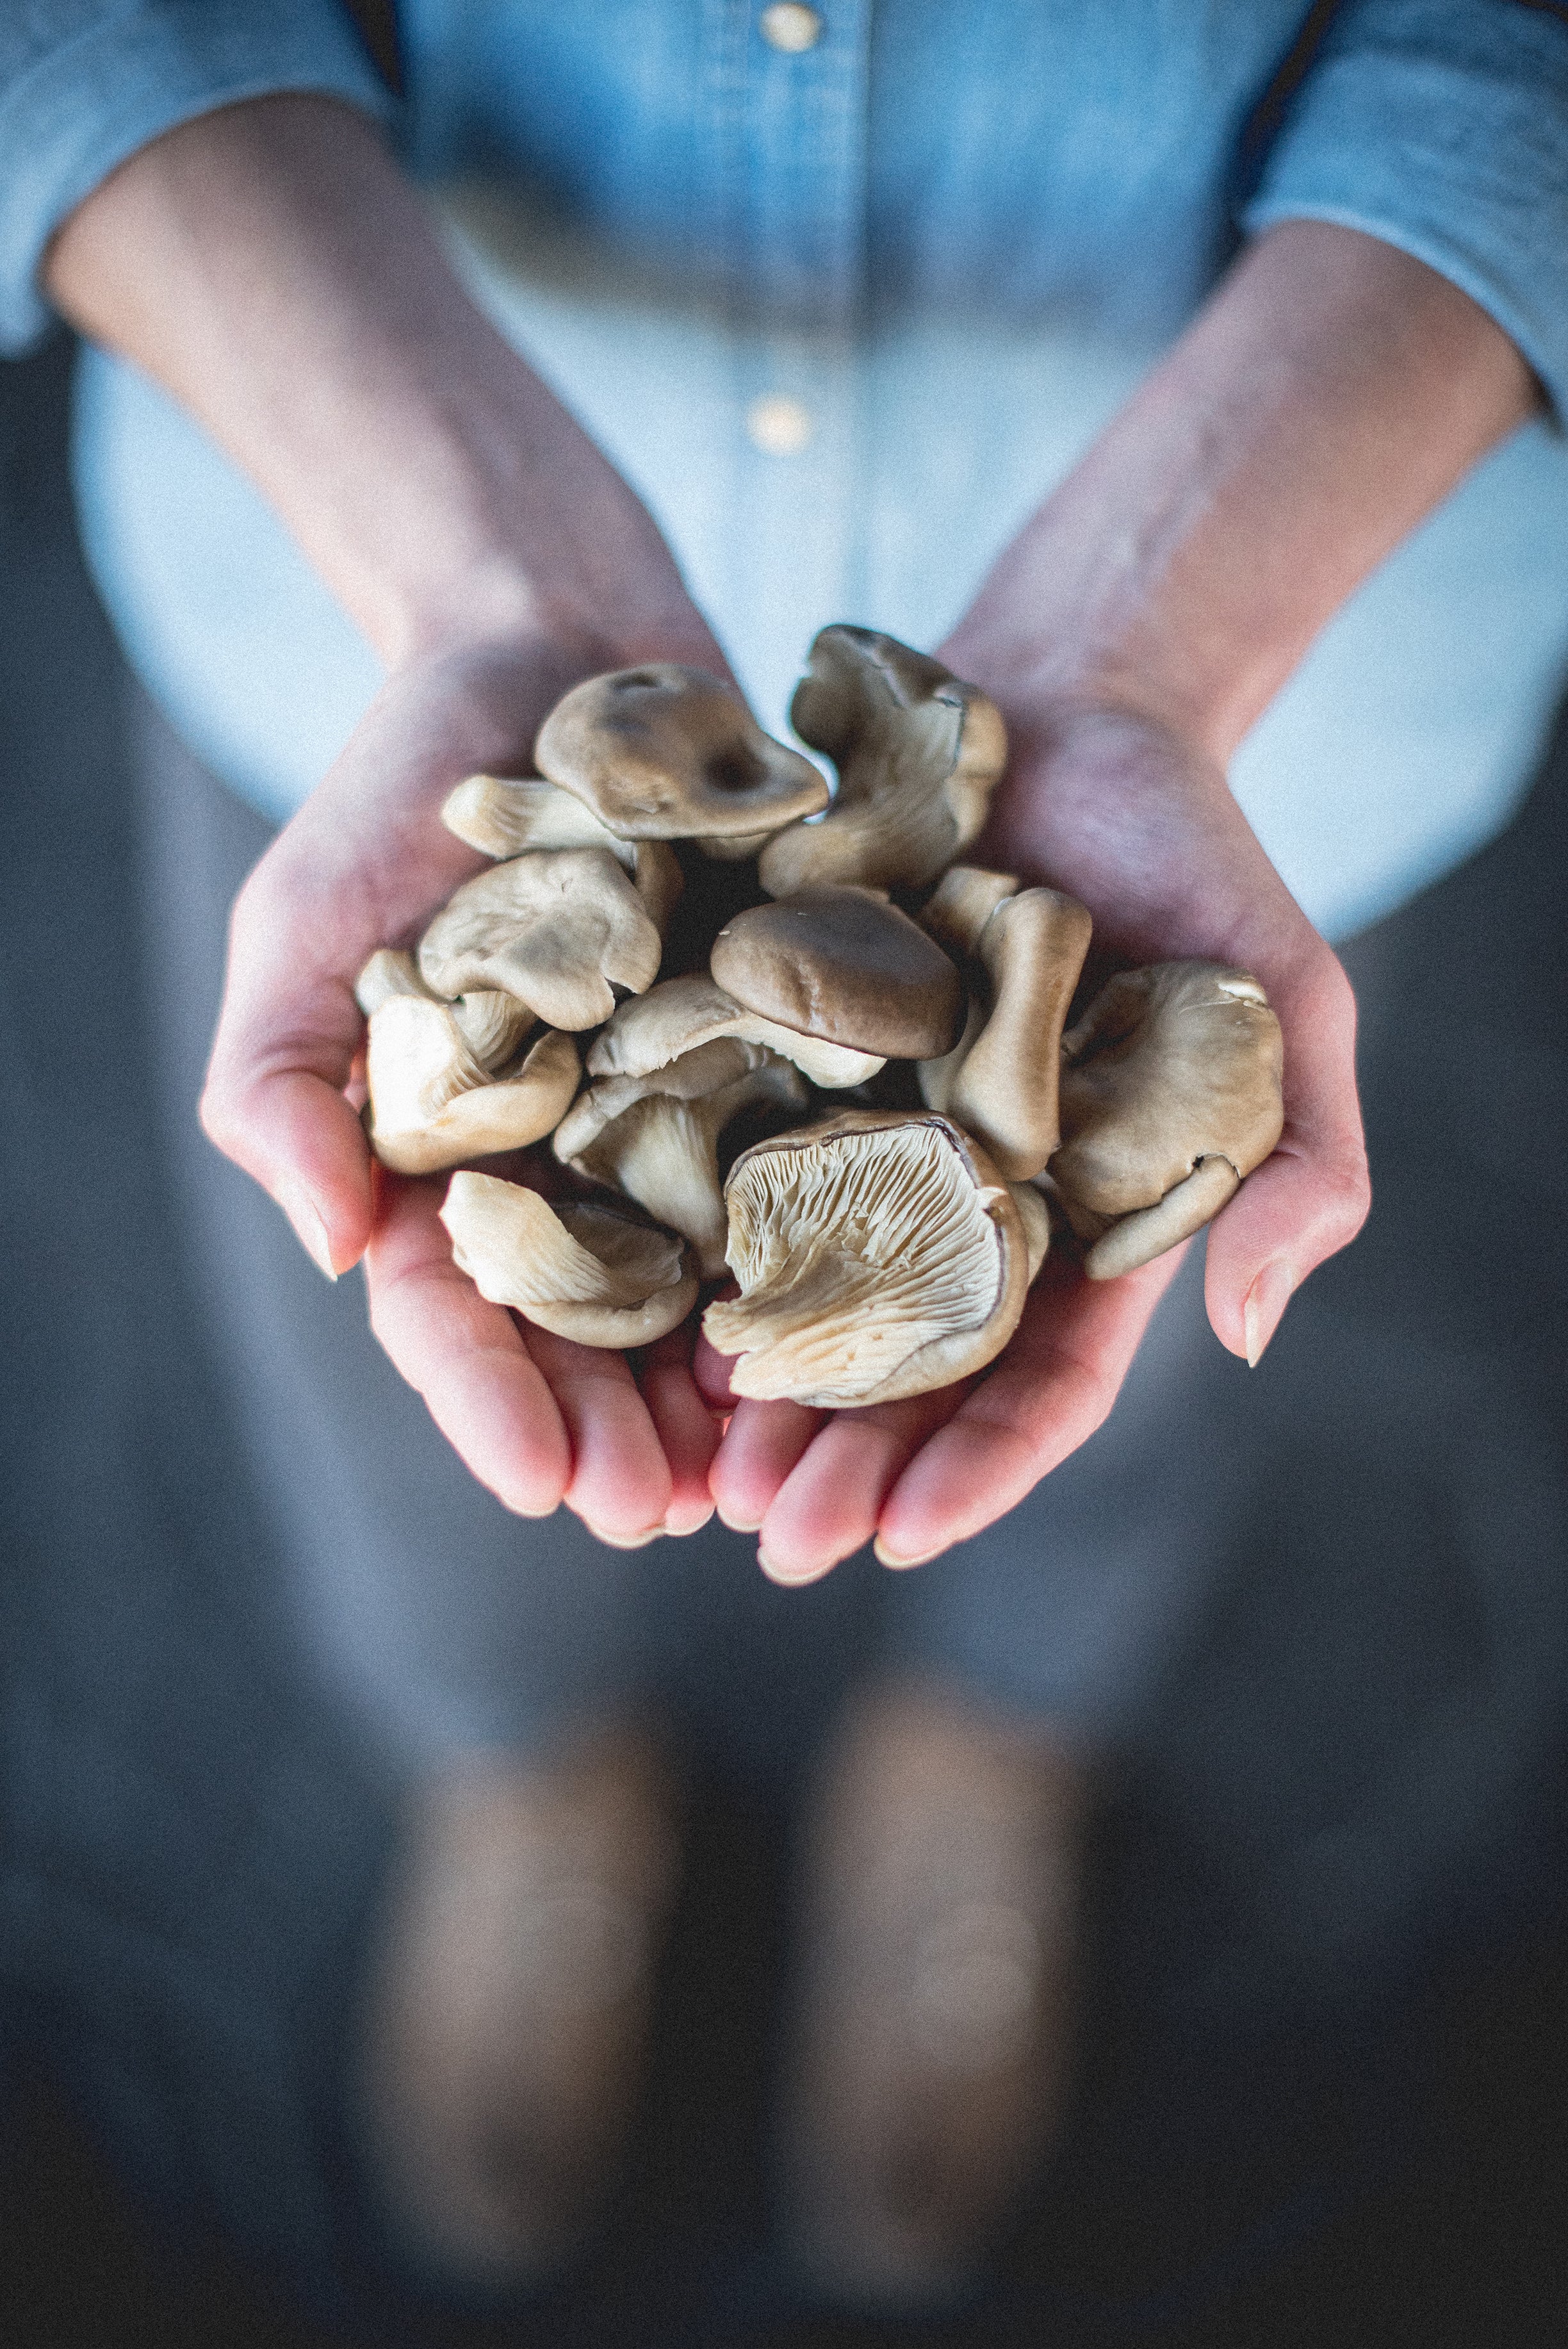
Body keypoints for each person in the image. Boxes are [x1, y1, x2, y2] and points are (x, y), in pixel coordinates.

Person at [4, 0, 1567, 2312]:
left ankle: (983, 1773)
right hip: (345, 600)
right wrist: (473, 585)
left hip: (1289, 663)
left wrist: (1161, 638)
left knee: (1130, 1372)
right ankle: (526, 1786)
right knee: (411, 1395)